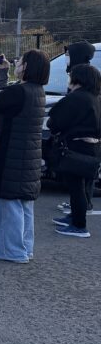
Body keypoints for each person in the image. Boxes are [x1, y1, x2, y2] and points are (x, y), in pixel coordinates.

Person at [0, 50, 48, 262]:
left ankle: (9, 250)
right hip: (26, 156)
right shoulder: (36, 91)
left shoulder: (19, 92)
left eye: (20, 61)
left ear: (26, 67)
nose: (16, 63)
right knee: (23, 204)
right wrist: (4, 74)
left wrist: (2, 76)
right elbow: (4, 99)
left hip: (9, 155)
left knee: (5, 203)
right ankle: (24, 248)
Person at [49, 63, 101, 239]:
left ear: (78, 78)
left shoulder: (76, 98)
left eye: (71, 75)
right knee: (82, 186)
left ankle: (79, 225)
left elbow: (55, 122)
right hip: (93, 148)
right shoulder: (95, 98)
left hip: (76, 147)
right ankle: (74, 217)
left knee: (76, 187)